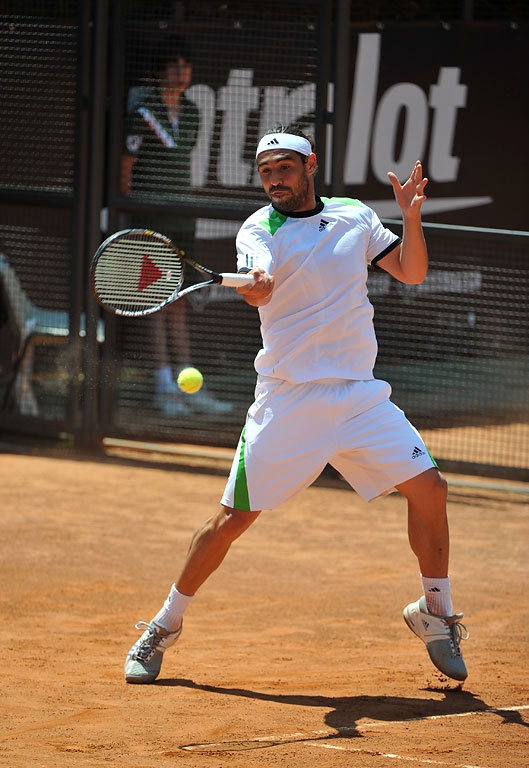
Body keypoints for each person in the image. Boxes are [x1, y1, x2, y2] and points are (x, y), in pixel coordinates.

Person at [124, 124, 469, 685]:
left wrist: (410, 216)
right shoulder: (258, 228)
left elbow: (412, 272)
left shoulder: (355, 216)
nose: (274, 180)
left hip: (358, 395)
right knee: (232, 520)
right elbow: (258, 284)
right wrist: (257, 284)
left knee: (430, 489)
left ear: (310, 166)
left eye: (284, 168)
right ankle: (164, 625)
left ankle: (436, 614)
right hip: (289, 399)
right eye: (265, 172)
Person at [122, 33, 232, 416]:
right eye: (174, 65)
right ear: (160, 70)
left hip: (183, 220)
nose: (181, 72)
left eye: (186, 65)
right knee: (156, 303)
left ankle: (188, 388)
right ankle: (163, 388)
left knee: (179, 302)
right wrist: (131, 215)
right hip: (149, 222)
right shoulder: (141, 113)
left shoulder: (193, 113)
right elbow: (125, 171)